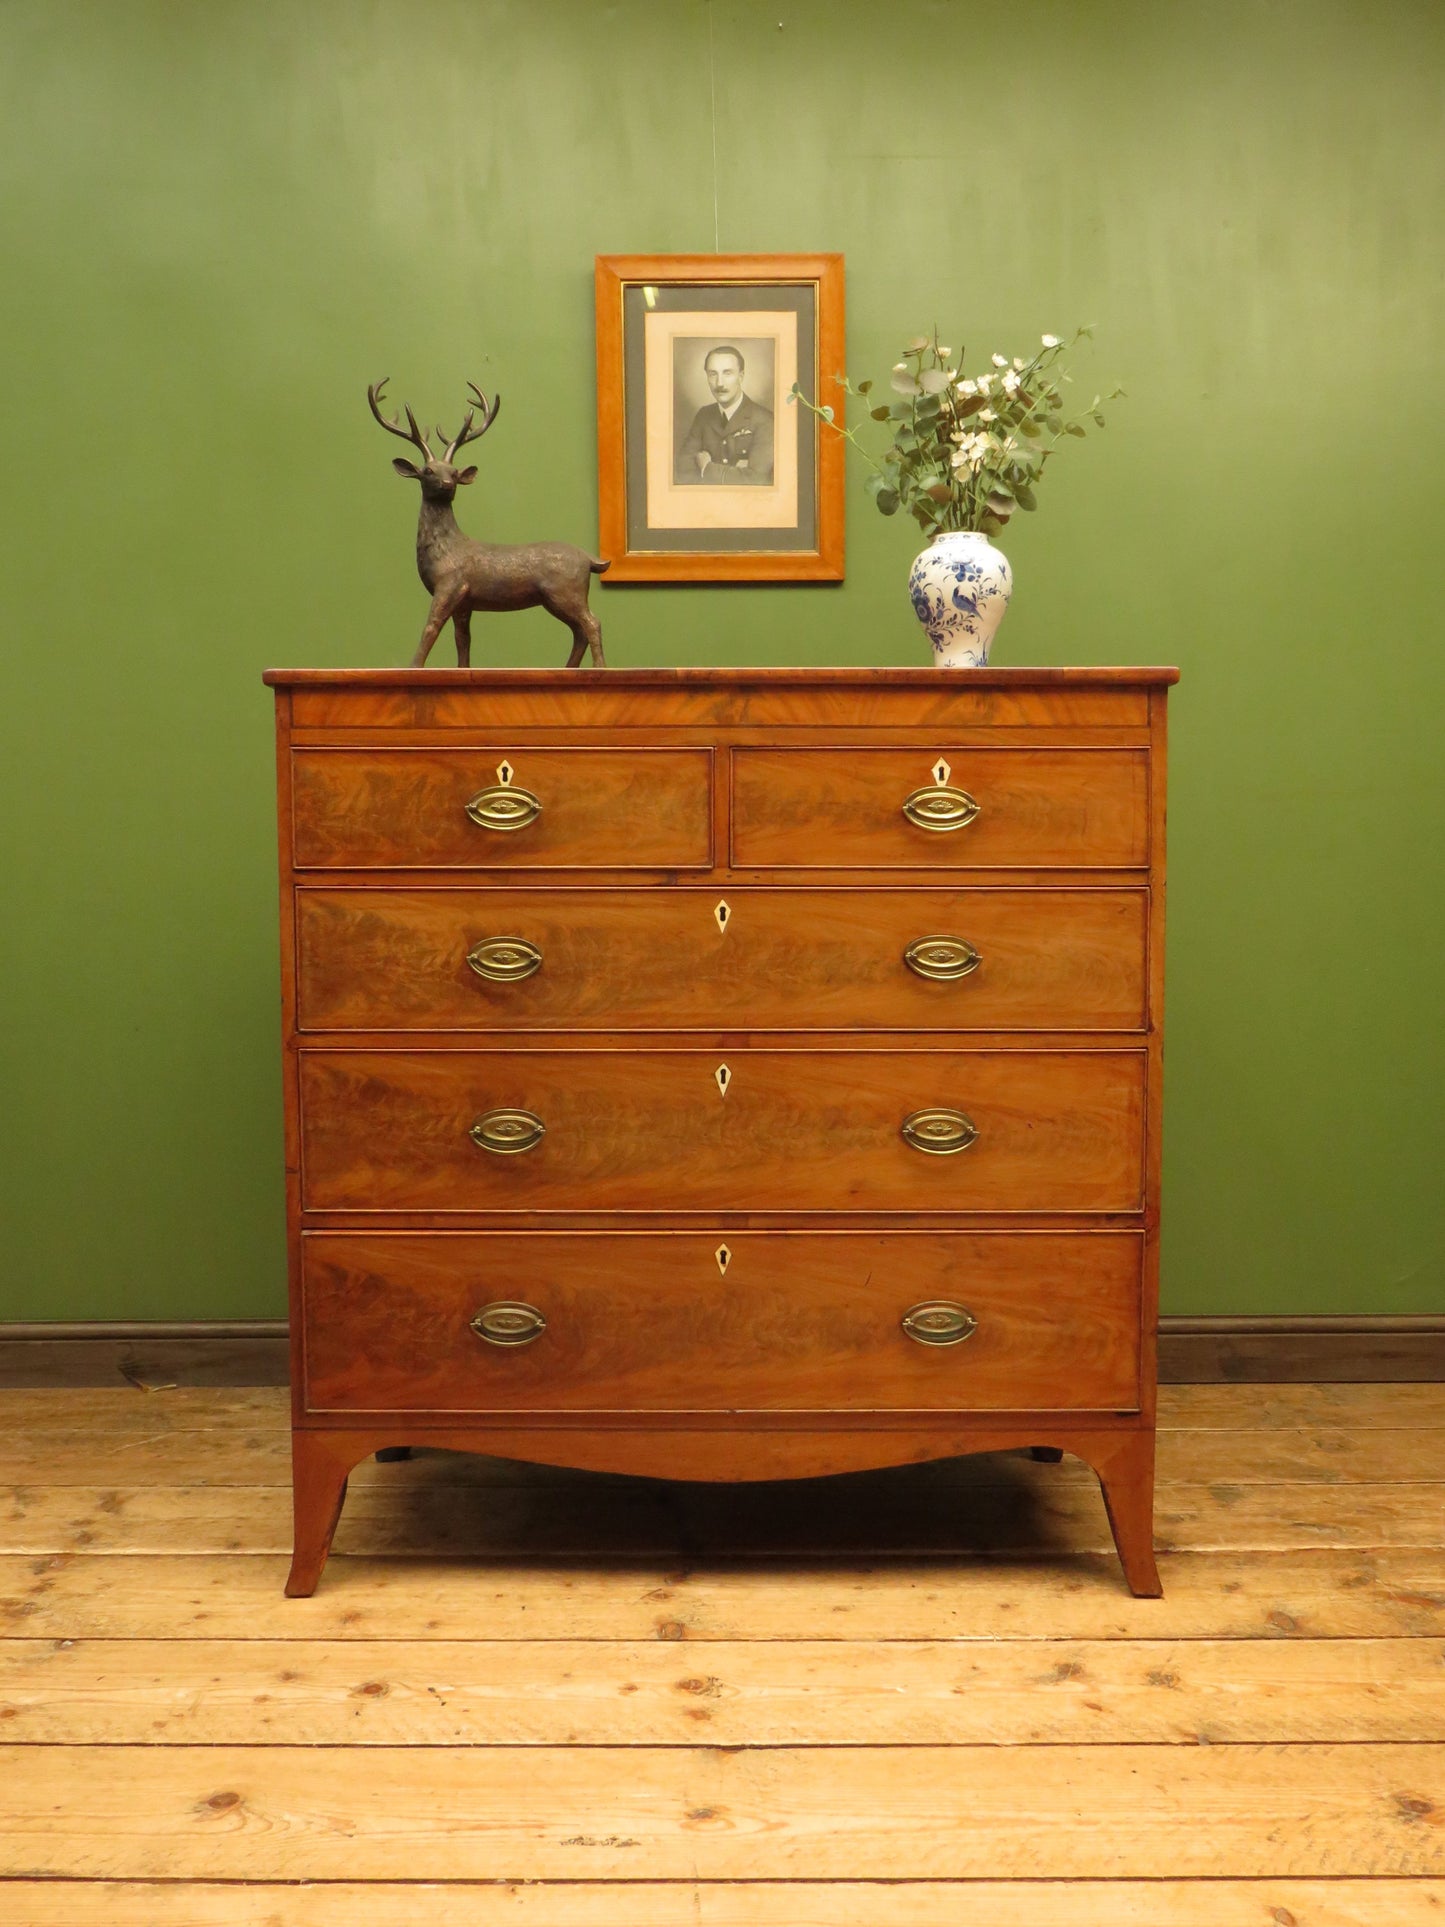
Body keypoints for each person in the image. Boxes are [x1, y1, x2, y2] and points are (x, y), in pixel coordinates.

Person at [676, 344, 774, 484]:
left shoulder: (765, 420)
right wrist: (736, 473)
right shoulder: (703, 415)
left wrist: (707, 468)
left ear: (741, 376)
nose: (719, 383)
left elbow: (756, 479)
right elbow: (683, 470)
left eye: (727, 373)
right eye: (713, 374)